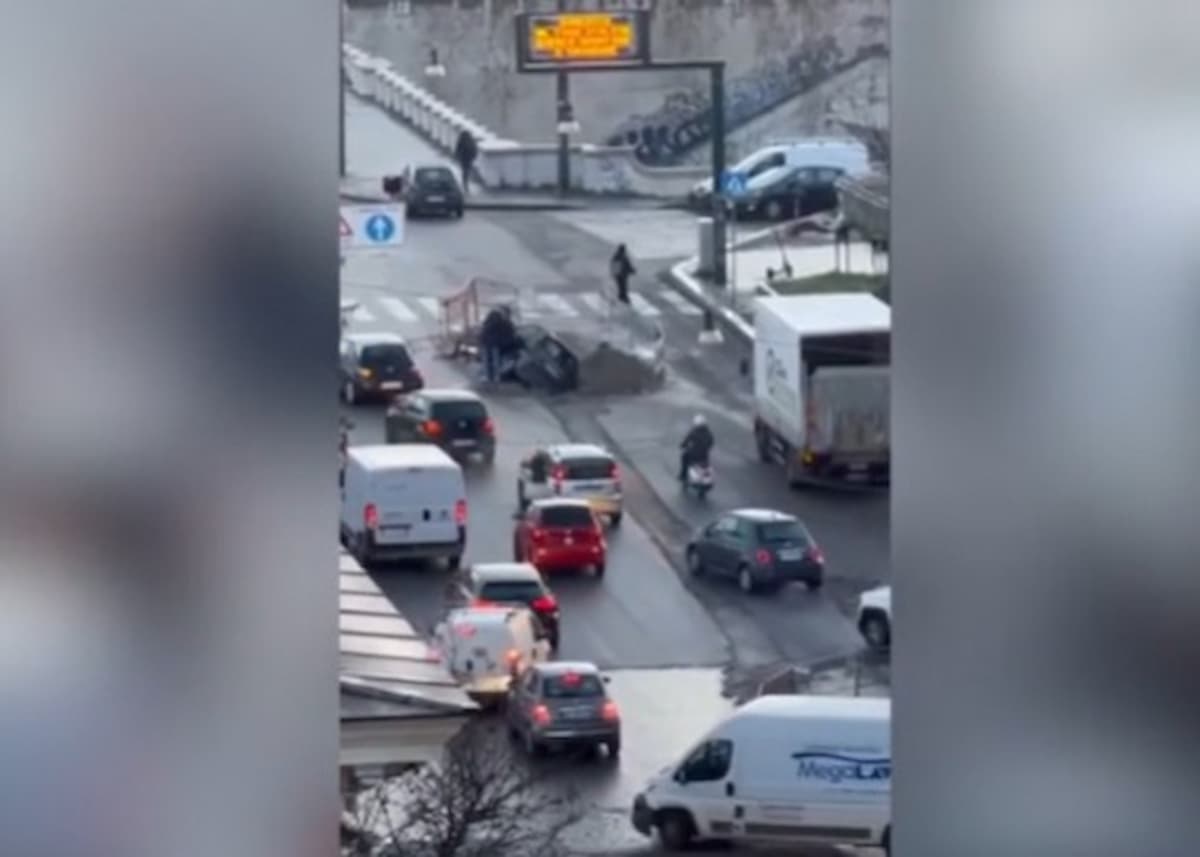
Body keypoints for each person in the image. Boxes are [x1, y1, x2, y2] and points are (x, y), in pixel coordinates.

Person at [679, 414, 714, 481]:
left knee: (684, 457)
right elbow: (711, 443)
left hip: (693, 454)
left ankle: (683, 475)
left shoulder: (694, 432)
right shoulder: (709, 433)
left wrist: (682, 445)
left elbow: (686, 440)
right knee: (706, 463)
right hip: (704, 456)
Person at [479, 307, 503, 383]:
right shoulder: (500, 323)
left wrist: (481, 342)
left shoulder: (487, 323)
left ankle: (487, 376)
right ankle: (497, 376)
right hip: (495, 344)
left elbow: (483, 334)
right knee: (496, 361)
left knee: (486, 361)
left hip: (486, 344)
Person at [454, 130, 478, 194]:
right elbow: (474, 150)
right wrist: (473, 157)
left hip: (464, 159)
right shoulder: (471, 141)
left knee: (465, 172)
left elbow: (457, 150)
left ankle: (465, 184)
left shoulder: (461, 141)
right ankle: (466, 184)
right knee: (467, 171)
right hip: (469, 159)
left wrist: (457, 157)